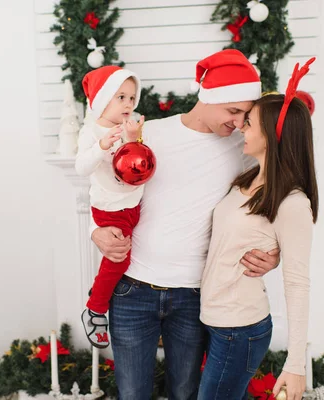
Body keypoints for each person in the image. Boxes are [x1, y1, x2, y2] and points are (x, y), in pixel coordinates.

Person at [90, 49, 280, 399]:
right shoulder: (149, 134)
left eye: (244, 115)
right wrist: (96, 230)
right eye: (233, 111)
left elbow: (274, 200)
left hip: (195, 295)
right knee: (132, 393)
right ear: (208, 99)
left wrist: (276, 252)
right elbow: (103, 185)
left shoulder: (245, 146)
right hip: (133, 289)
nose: (238, 122)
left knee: (185, 392)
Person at [198, 58, 318, 400]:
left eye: (248, 123)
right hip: (215, 319)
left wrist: (296, 365)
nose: (240, 128)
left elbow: (298, 284)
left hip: (239, 329)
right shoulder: (246, 179)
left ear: (271, 134)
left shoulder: (292, 203)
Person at [75, 65, 146, 349]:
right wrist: (102, 145)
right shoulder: (92, 131)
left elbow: (136, 160)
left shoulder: (129, 127)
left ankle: (102, 290)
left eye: (132, 97)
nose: (129, 103)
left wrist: (134, 138)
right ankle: (95, 308)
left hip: (131, 205)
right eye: (121, 97)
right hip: (109, 208)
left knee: (125, 258)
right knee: (121, 258)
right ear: (103, 99)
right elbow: (81, 167)